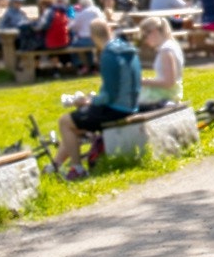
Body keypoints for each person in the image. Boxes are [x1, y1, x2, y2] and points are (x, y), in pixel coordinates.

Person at [49, 19, 140, 180]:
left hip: (116, 109)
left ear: (93, 36)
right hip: (131, 104)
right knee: (75, 123)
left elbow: (110, 94)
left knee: (65, 121)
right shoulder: (127, 49)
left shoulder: (108, 55)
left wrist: (89, 102)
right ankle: (55, 165)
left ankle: (77, 169)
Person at [137, 16, 185, 108]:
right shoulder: (171, 45)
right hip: (169, 94)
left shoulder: (166, 50)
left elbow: (169, 82)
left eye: (144, 36)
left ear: (154, 32)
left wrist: (143, 81)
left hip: (164, 96)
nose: (145, 41)